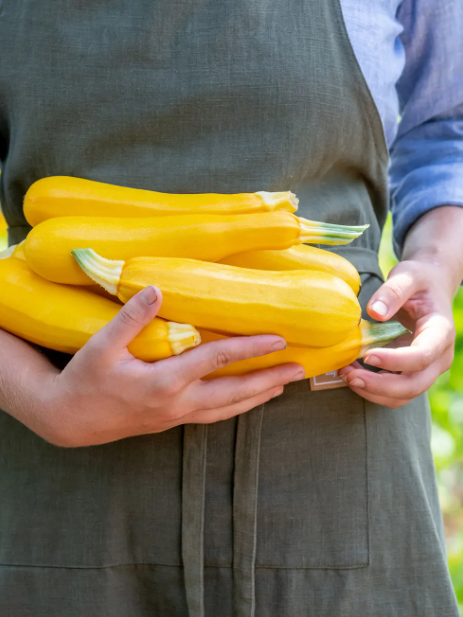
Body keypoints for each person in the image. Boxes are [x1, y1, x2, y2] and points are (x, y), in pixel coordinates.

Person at [0, 1, 462, 615]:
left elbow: (446, 131)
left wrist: (434, 262)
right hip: (56, 444)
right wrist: (42, 400)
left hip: (333, 449)